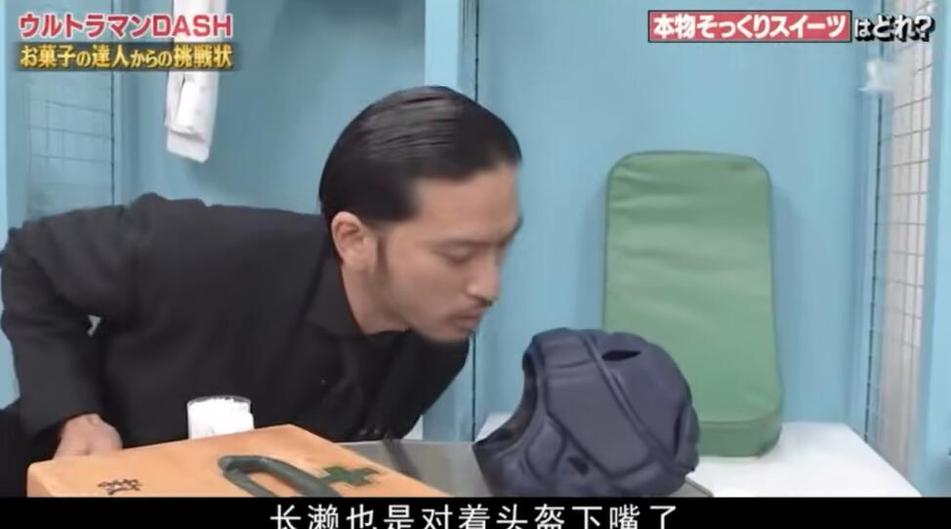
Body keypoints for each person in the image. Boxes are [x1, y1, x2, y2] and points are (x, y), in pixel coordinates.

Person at [0, 85, 522, 495]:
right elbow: (32, 258)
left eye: (500, 247)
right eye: (457, 255)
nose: (489, 287)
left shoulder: (437, 345)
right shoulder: (204, 251)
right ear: (354, 239)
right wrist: (76, 417)